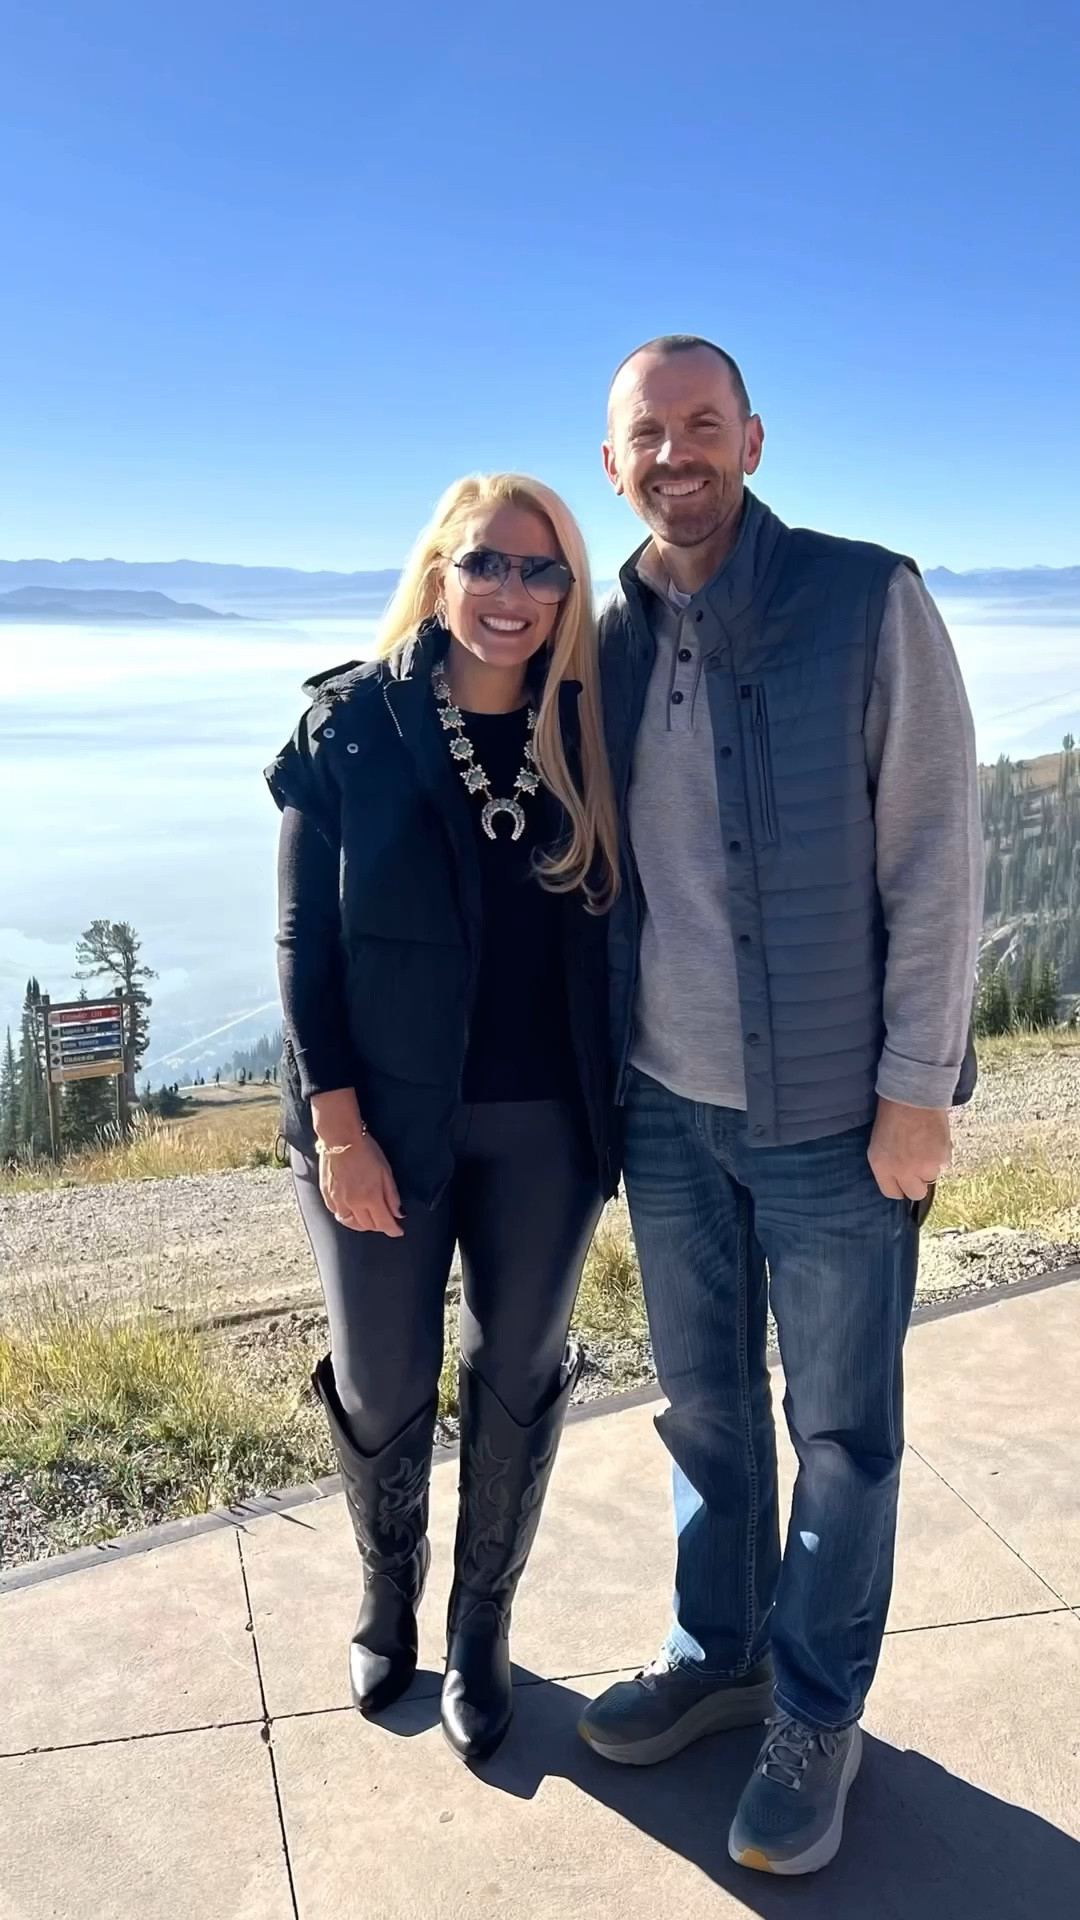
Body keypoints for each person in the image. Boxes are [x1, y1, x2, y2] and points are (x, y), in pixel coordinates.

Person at [578, 336, 983, 1875]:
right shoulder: (600, 640)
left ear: (751, 437)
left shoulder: (867, 598)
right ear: (613, 464)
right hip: (668, 1110)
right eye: (647, 435)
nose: (676, 454)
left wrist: (914, 1092)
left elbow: (938, 859)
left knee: (843, 1435)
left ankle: (819, 1708)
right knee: (702, 1414)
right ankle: (722, 1650)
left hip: (832, 1115)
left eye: (702, 425)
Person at [265, 472, 619, 1763]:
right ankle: (384, 1596)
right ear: (438, 569)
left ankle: (482, 1626)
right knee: (383, 1376)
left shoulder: (593, 724)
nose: (512, 595)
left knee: (519, 1374)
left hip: (551, 1123)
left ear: (569, 594)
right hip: (378, 1124)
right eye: (488, 564)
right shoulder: (347, 725)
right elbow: (303, 947)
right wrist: (339, 1126)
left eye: (543, 572)